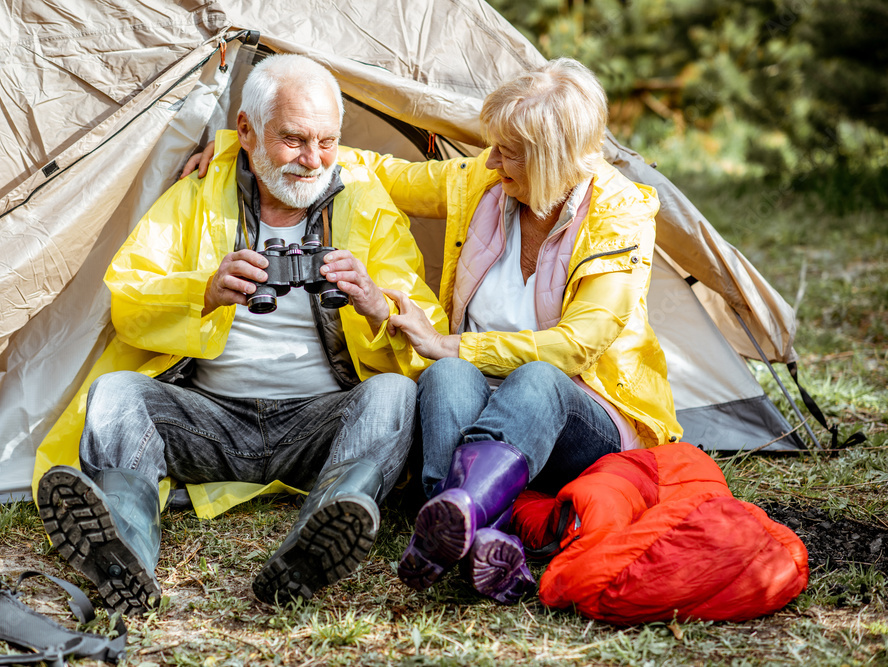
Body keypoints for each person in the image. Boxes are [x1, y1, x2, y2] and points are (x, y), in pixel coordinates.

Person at [181, 58, 683, 606]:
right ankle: (476, 537)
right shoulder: (481, 183)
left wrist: (452, 343)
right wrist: (243, 144)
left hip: (579, 411)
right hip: (478, 399)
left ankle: (457, 509)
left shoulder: (621, 211)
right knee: (445, 375)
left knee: (533, 377)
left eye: (508, 152)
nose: (490, 160)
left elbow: (579, 343)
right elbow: (369, 167)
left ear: (553, 159)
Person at [35, 54, 447, 616]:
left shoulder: (366, 206)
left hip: (317, 422)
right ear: (247, 133)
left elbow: (428, 329)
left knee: (394, 395)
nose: (312, 160)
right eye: (294, 140)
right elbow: (128, 301)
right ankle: (123, 547)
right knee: (116, 394)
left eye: (327, 142)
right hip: (208, 418)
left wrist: (376, 305)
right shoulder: (197, 195)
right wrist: (201, 291)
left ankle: (319, 538)